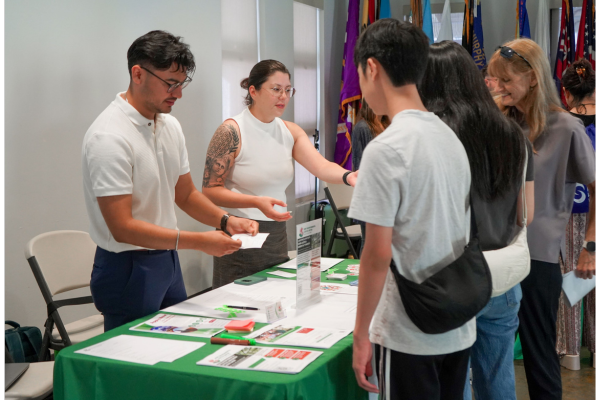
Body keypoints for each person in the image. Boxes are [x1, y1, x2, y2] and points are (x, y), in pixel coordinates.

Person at [83, 31, 258, 332]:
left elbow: (186, 193)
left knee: (176, 347)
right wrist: (200, 242)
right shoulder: (109, 136)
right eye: (170, 83)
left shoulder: (169, 125)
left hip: (167, 258)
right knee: (133, 364)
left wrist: (225, 220)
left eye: (181, 84)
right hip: (126, 265)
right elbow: (122, 227)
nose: (177, 94)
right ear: (137, 74)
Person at [349, 20, 474, 399]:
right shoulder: (448, 136)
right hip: (457, 321)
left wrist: (360, 335)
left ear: (372, 68)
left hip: (409, 331)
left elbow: (376, 254)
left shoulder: (387, 148)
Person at [418, 41, 535, 400]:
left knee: (454, 378)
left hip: (452, 274)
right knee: (497, 374)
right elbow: (524, 213)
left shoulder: (433, 135)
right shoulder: (513, 134)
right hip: (503, 273)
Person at [488, 39, 596, 400]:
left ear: (532, 78)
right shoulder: (501, 124)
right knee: (489, 360)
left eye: (505, 80)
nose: (498, 87)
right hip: (493, 255)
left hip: (538, 261)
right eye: (492, 79)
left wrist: (589, 247)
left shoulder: (566, 128)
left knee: (539, 362)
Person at [202, 59, 359, 288]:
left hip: (276, 233)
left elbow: (321, 166)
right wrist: (255, 202)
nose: (283, 96)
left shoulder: (289, 131)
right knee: (237, 306)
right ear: (253, 91)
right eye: (276, 89)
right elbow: (210, 190)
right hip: (239, 231)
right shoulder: (231, 131)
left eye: (288, 90)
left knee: (276, 299)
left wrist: (348, 176)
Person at [556, 59, 597, 368]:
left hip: (568, 206)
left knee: (571, 276)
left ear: (566, 92)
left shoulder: (559, 122)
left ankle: (570, 351)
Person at [351, 99, 390, 256]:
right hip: (371, 195)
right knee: (369, 243)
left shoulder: (387, 125)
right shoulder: (362, 127)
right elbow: (359, 165)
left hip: (386, 193)